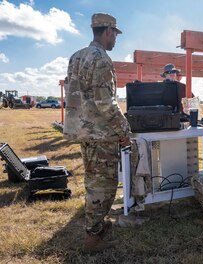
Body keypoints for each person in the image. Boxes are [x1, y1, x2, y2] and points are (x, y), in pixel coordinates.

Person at [64, 13, 134, 253]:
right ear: (108, 32)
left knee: (93, 181)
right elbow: (106, 103)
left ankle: (97, 226)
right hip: (101, 134)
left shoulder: (77, 56)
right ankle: (92, 238)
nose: (115, 39)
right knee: (103, 185)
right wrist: (124, 130)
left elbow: (75, 96)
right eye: (115, 34)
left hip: (84, 131)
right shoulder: (101, 59)